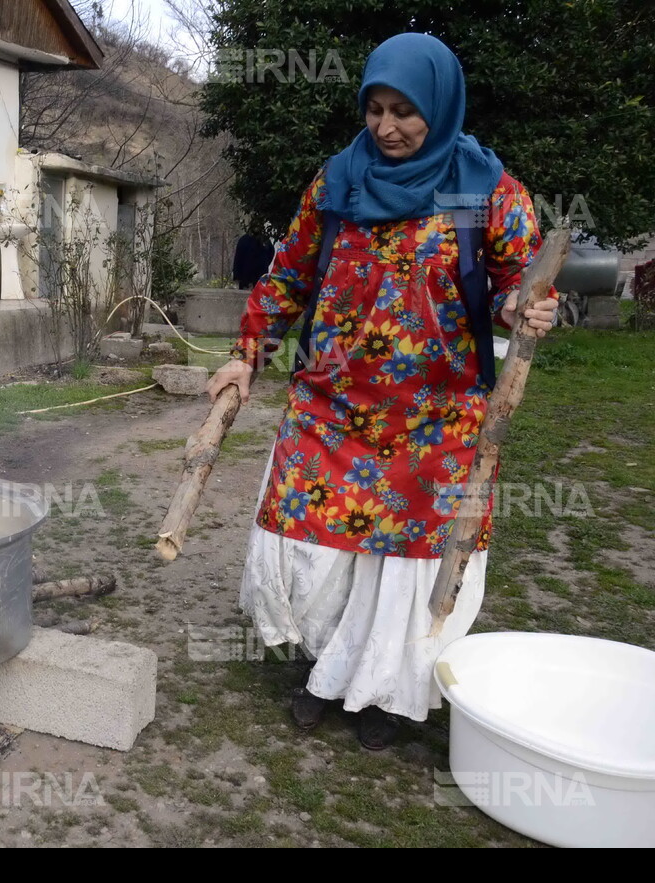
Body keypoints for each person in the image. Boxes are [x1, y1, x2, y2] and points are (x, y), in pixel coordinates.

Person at [206, 33, 558, 750]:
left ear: (440, 105)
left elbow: (518, 285)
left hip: (437, 416)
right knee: (303, 542)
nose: (387, 127)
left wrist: (527, 305)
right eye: (375, 109)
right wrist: (248, 355)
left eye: (405, 111)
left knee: (408, 561)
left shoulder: (488, 190)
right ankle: (324, 668)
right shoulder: (336, 181)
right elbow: (287, 278)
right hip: (331, 406)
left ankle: (387, 695)